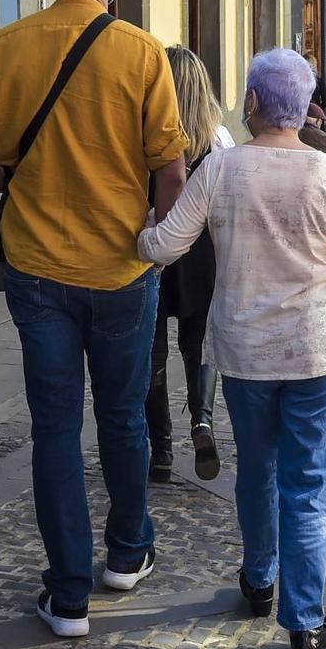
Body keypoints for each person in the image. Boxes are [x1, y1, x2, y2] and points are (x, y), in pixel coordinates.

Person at [0, 0, 189, 639]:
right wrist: (155, 240)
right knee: (121, 413)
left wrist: (14, 180)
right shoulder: (143, 52)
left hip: (34, 265)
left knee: (53, 425)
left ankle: (68, 594)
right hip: (120, 266)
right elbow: (170, 169)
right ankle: (127, 552)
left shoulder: (7, 46)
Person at [138, 50, 326, 649]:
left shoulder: (222, 168)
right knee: (308, 485)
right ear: (307, 110)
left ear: (253, 103)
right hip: (318, 347)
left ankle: (259, 580)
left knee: (258, 468)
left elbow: (165, 246)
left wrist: (141, 229)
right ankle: (305, 625)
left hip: (247, 351)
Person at [145, 47, 236, 485]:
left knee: (152, 350)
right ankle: (202, 421)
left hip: (157, 249)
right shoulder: (218, 140)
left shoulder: (149, 136)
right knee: (199, 344)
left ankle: (159, 446)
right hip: (203, 256)